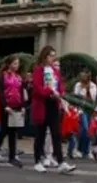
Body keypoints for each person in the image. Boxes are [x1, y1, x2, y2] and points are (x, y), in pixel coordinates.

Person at [31, 46, 75, 174]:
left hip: (53, 105)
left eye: (54, 55)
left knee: (56, 134)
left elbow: (60, 84)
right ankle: (37, 161)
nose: (53, 58)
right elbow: (38, 88)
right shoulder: (39, 71)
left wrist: (59, 92)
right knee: (40, 134)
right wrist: (50, 92)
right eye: (51, 55)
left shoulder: (55, 71)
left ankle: (61, 162)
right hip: (42, 105)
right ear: (45, 57)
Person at [0, 55, 25, 167]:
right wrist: (5, 105)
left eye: (18, 63)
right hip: (6, 107)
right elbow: (0, 92)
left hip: (16, 107)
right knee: (4, 130)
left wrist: (22, 107)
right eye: (15, 63)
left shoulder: (19, 77)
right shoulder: (4, 76)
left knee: (13, 132)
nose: (17, 65)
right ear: (10, 64)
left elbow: (21, 93)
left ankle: (12, 157)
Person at [69, 69, 97, 159]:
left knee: (89, 130)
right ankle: (80, 149)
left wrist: (87, 89)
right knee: (84, 128)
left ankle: (85, 150)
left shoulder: (93, 86)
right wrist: (82, 89)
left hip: (90, 109)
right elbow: (76, 96)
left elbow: (93, 98)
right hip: (81, 109)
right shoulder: (78, 85)